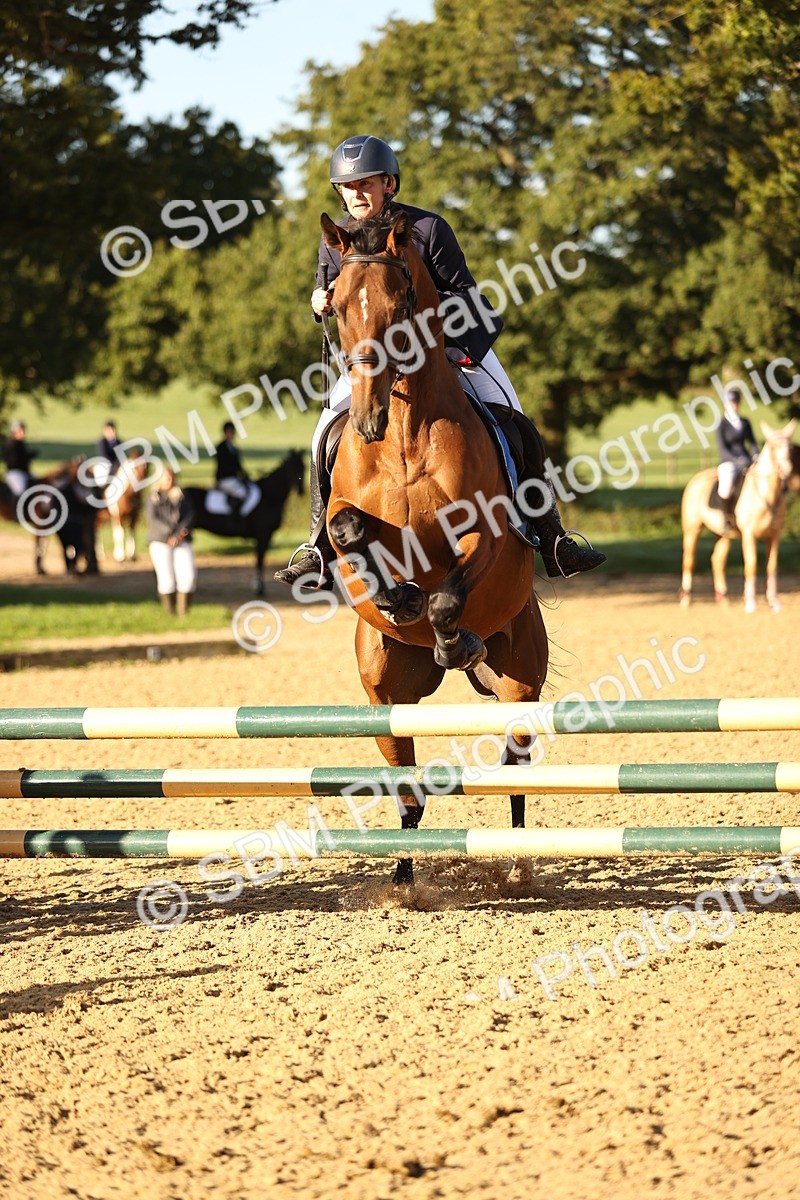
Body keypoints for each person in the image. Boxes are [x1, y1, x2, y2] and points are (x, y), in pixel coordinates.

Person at [274, 134, 605, 590]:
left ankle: (551, 535)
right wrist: (319, 300)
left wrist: (449, 347)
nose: (355, 194)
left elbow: (465, 295)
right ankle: (316, 544)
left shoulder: (428, 229)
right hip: (374, 360)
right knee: (323, 434)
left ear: (389, 183)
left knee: (517, 421)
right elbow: (338, 293)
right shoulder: (335, 241)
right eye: (347, 187)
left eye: (365, 184)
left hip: (446, 350)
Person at [146, 464, 196, 616]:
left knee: (188, 576)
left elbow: (190, 515)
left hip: (181, 540)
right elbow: (152, 519)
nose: (169, 480)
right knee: (166, 578)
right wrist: (169, 534)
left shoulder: (181, 496)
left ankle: (183, 612)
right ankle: (170, 613)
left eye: (171, 477)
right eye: (166, 477)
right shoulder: (153, 497)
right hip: (160, 541)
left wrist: (179, 534)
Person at [716, 387, 759, 533]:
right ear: (725, 405)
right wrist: (736, 460)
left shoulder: (745, 422)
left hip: (746, 460)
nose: (733, 405)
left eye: (735, 403)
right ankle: (726, 517)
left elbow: (752, 442)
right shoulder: (722, 424)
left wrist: (756, 455)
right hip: (729, 461)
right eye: (730, 403)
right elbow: (723, 448)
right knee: (726, 486)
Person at [214, 422, 249, 514]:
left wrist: (245, 474)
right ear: (225, 433)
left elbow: (238, 465)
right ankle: (235, 514)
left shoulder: (234, 449)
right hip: (225, 478)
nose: (231, 434)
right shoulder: (220, 448)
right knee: (242, 493)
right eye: (229, 432)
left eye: (232, 432)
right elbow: (224, 465)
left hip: (233, 478)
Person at [3, 420, 37, 498]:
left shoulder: (20, 444)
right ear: (14, 432)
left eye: (23, 430)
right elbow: (14, 462)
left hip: (25, 473)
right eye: (20, 431)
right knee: (20, 491)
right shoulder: (11, 445)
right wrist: (28, 457)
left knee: (39, 484)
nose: (23, 433)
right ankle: (16, 509)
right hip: (15, 473)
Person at [94, 421, 121, 490]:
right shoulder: (102, 442)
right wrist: (113, 463)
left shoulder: (118, 442)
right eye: (109, 430)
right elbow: (104, 455)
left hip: (116, 465)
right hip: (104, 466)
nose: (111, 432)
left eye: (112, 430)